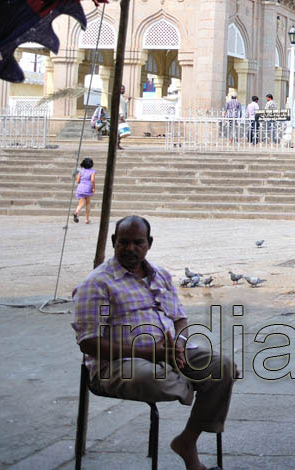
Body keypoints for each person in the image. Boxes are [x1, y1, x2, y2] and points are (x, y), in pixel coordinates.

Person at [73, 216, 236, 470]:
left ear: (148, 243)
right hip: (119, 363)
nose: (130, 249)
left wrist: (179, 345)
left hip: (169, 354)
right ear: (114, 242)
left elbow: (180, 320)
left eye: (137, 242)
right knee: (153, 376)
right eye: (123, 242)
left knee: (223, 367)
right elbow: (88, 343)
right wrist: (151, 353)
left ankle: (186, 441)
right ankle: (186, 382)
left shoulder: (160, 274)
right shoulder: (97, 283)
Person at [72, 157, 96, 224]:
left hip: (80, 188)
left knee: (81, 203)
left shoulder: (81, 171)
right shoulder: (92, 171)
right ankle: (86, 219)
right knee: (87, 204)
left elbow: (77, 180)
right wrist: (93, 188)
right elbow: (92, 180)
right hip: (88, 188)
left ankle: (76, 211)